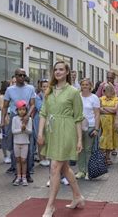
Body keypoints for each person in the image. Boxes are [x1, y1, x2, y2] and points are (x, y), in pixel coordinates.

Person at [37, 61, 85, 217]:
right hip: (52, 131)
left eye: (61, 69)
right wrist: (40, 133)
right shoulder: (49, 91)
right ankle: (78, 196)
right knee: (63, 168)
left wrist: (79, 140)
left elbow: (78, 117)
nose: (57, 72)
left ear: (67, 72)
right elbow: (43, 113)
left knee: (55, 167)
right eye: (55, 69)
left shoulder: (73, 92)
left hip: (67, 131)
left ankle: (50, 206)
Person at [1, 68, 36, 183]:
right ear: (15, 76)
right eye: (19, 75)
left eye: (23, 75)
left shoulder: (30, 88)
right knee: (13, 146)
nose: (22, 77)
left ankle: (28, 173)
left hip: (27, 118)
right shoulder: (10, 90)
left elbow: (32, 104)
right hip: (14, 118)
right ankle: (17, 173)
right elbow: (5, 106)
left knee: (29, 147)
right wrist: (2, 120)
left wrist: (27, 116)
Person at [76, 78, 100, 180]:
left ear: (90, 86)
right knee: (79, 149)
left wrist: (96, 129)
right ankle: (81, 170)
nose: (84, 86)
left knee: (88, 149)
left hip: (90, 126)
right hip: (78, 126)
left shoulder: (94, 98)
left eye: (87, 85)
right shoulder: (77, 96)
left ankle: (88, 171)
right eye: (83, 85)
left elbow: (97, 114)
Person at [11, 100, 33, 186]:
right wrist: (21, 129)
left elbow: (30, 131)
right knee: (17, 160)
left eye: (24, 109)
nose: (22, 111)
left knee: (24, 160)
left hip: (25, 142)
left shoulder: (29, 119)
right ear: (17, 110)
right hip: (16, 142)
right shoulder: (14, 119)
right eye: (20, 109)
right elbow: (13, 131)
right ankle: (18, 177)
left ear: (26, 110)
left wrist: (25, 129)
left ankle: (24, 177)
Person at [99, 84, 118, 165]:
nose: (105, 92)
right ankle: (102, 157)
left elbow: (115, 110)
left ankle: (108, 157)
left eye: (107, 91)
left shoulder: (116, 99)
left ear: (112, 91)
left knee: (110, 138)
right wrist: (109, 110)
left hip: (112, 122)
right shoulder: (101, 98)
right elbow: (98, 109)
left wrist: (104, 108)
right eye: (104, 90)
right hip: (102, 122)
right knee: (103, 138)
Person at [34, 79, 50, 167]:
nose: (45, 88)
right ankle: (41, 158)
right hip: (39, 119)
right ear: (41, 87)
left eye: (47, 86)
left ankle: (46, 157)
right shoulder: (38, 96)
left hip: (49, 119)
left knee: (47, 139)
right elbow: (41, 107)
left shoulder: (52, 95)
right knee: (41, 139)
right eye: (44, 86)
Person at [0, 80, 11, 163]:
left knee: (9, 137)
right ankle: (6, 155)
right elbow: (3, 108)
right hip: (5, 118)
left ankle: (9, 155)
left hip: (8, 117)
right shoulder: (2, 97)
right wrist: (5, 118)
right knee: (4, 137)